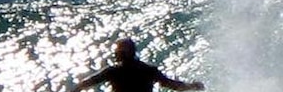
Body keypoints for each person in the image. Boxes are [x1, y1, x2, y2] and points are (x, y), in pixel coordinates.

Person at [70, 38, 205, 92]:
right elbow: (171, 85)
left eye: (119, 51)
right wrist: (191, 86)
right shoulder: (148, 70)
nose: (117, 53)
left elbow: (85, 84)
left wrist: (76, 89)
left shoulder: (114, 71)